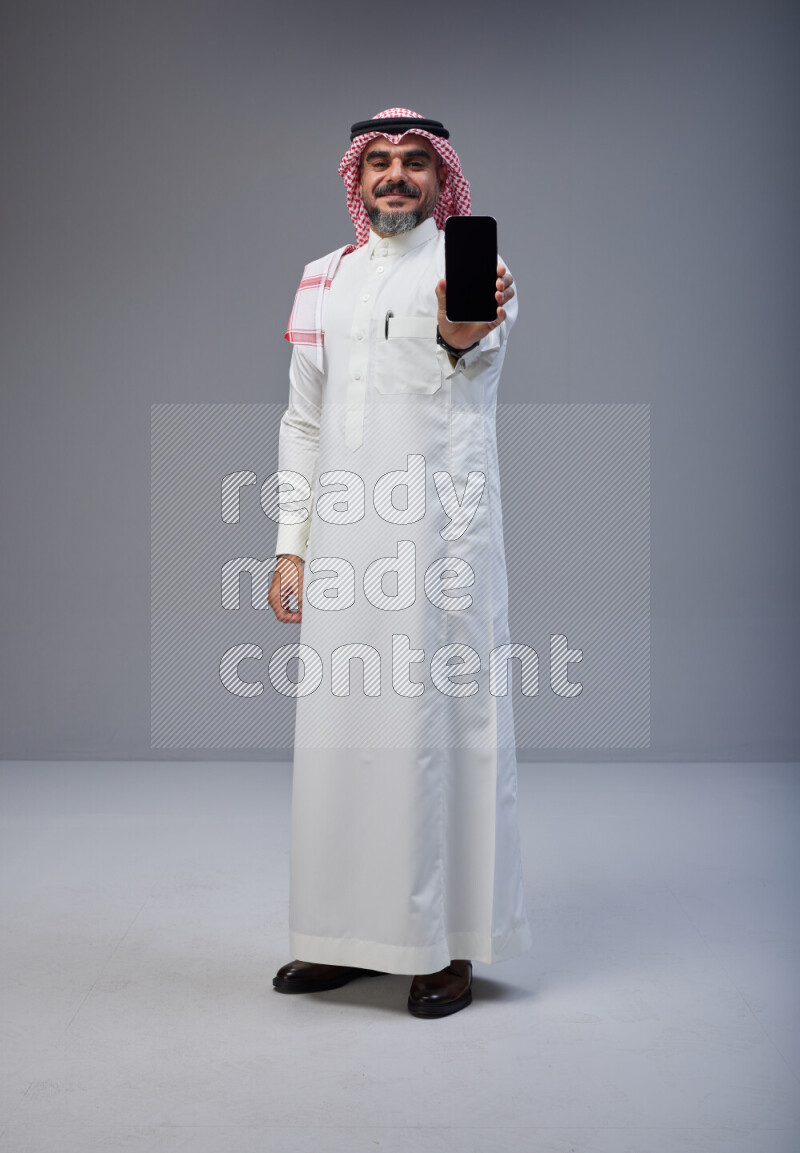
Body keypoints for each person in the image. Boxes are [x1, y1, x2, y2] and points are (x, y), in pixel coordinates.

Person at [268, 108, 532, 1018]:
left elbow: (472, 350)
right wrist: (289, 548)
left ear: (438, 177)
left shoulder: (471, 267)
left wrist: (462, 333)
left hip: (439, 547)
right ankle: (344, 937)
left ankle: (445, 947)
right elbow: (303, 420)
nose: (394, 177)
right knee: (342, 740)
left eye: (415, 163)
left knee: (434, 739)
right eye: (378, 161)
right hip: (345, 549)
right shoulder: (321, 279)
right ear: (356, 175)